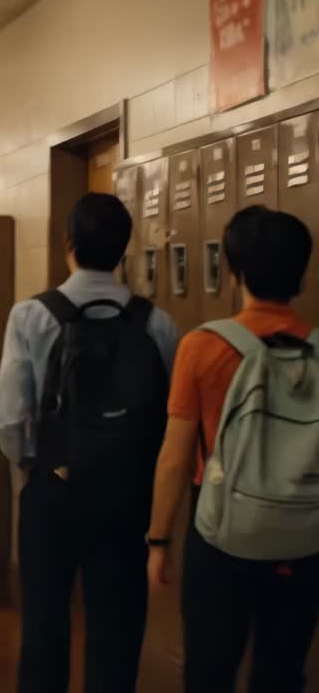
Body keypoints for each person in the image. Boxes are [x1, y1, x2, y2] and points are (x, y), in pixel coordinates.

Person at [0, 192, 177, 692]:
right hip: (127, 497)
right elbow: (169, 418)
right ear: (125, 249)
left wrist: (29, 465)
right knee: (116, 630)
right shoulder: (156, 322)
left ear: (67, 243)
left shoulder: (31, 316)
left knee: (45, 626)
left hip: (53, 491)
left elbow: (8, 416)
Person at [146, 206, 319, 693]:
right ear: (301, 272)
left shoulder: (202, 347)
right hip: (304, 533)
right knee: (283, 669)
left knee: (209, 666)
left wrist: (159, 541)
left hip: (220, 527)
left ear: (232, 269)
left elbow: (176, 458)